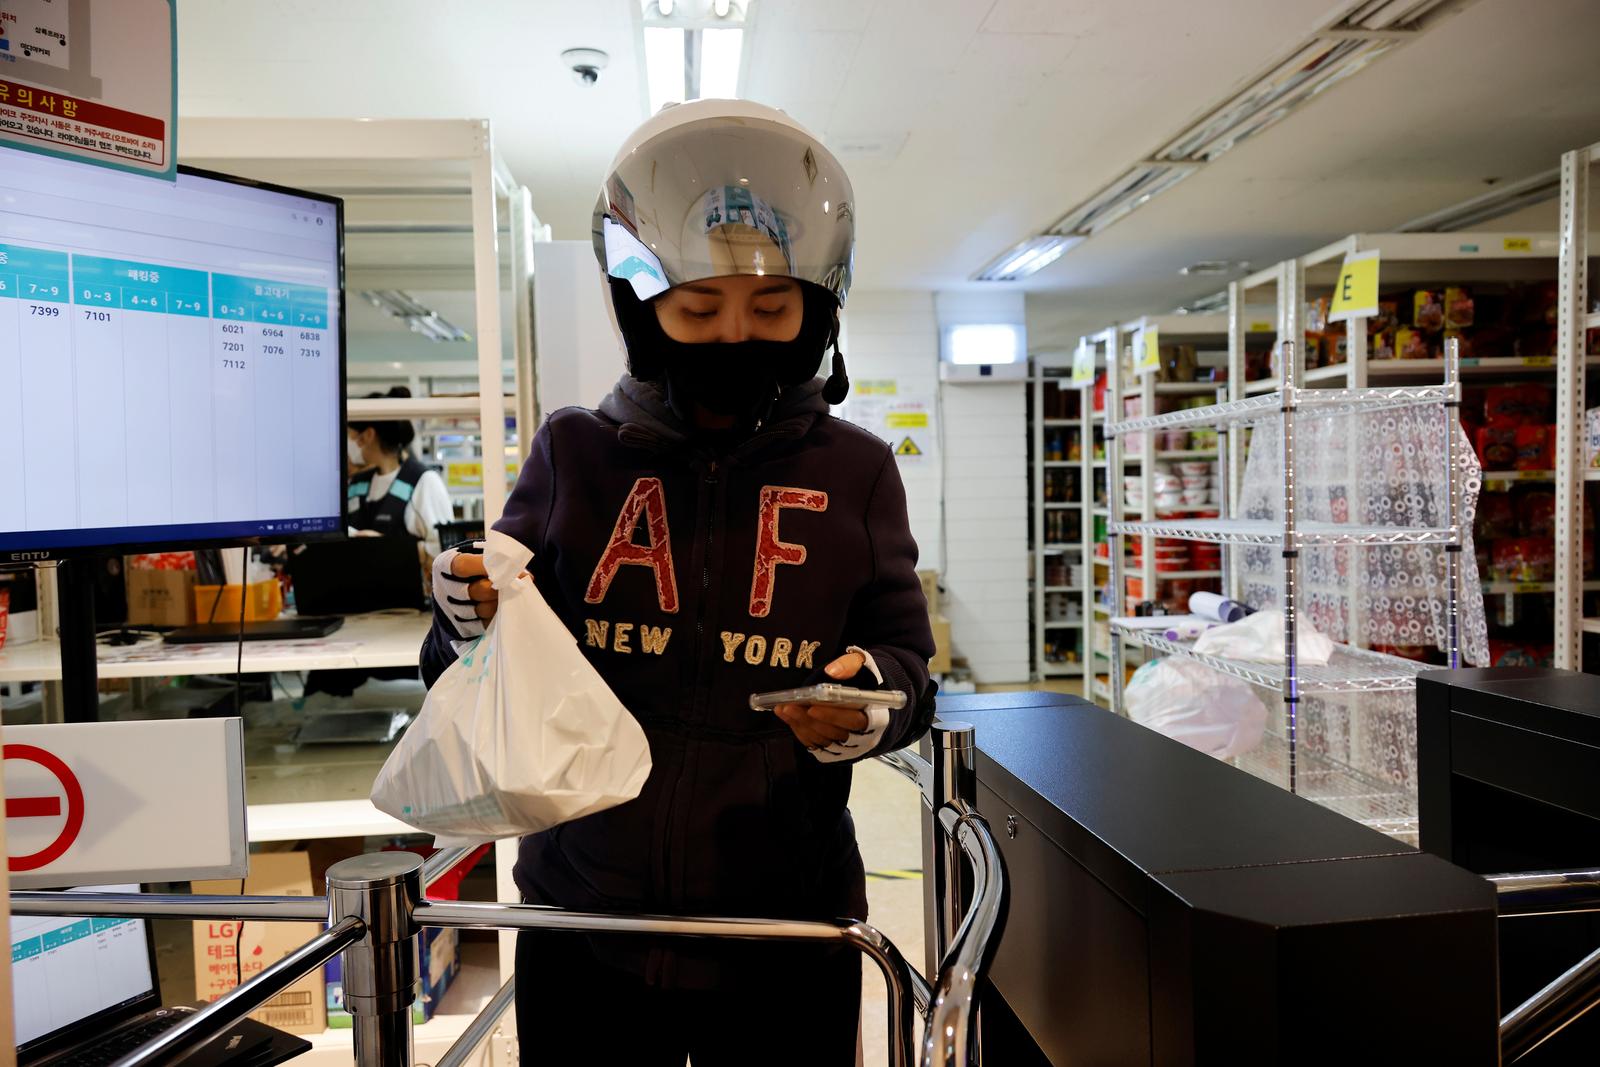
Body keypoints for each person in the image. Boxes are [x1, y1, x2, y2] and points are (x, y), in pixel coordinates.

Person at [420, 99, 935, 1065]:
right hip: (587, 926)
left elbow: (909, 662)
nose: (737, 334)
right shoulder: (574, 454)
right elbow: (474, 654)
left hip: (787, 930)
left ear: (817, 310)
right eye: (699, 310)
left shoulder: (860, 471)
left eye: (772, 308)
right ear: (638, 305)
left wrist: (873, 701)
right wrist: (465, 617)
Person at [346, 385, 453, 558]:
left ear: (368, 435)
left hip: (405, 584)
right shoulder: (357, 483)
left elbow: (445, 549)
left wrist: (386, 546)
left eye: (350, 435)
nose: (349, 444)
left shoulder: (422, 481)